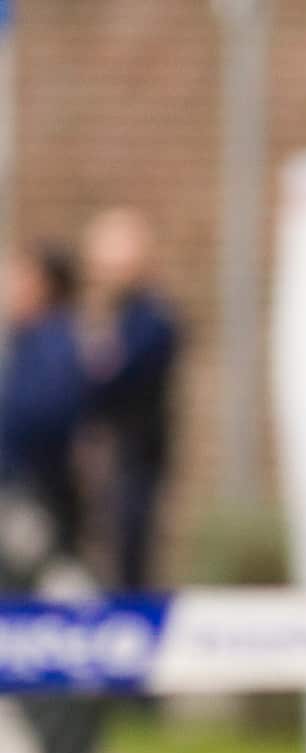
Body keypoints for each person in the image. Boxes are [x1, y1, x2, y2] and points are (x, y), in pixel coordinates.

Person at [79, 208, 181, 591]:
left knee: (132, 549)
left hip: (138, 452)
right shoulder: (123, 316)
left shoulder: (151, 319)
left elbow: (112, 375)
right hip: (121, 452)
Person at [0, 243, 86, 553]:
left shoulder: (54, 346)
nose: (9, 289)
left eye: (20, 278)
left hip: (33, 494)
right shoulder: (27, 341)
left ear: (44, 287)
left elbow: (48, 416)